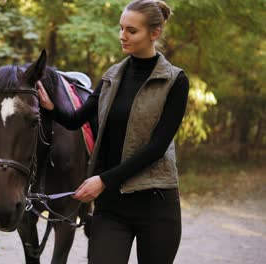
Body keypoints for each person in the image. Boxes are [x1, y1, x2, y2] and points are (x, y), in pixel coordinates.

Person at [37, 0, 189, 263]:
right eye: (121, 28)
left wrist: (103, 180)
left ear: (155, 33)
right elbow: (76, 120)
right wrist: (51, 109)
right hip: (111, 207)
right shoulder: (111, 76)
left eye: (132, 30)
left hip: (156, 203)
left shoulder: (175, 81)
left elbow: (157, 147)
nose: (123, 36)